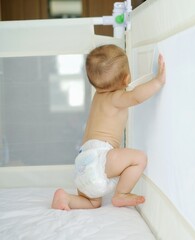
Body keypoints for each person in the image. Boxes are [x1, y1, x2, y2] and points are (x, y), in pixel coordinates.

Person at [51, 44, 166, 210]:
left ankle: (66, 198)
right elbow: (135, 97)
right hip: (99, 157)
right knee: (139, 159)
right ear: (126, 79)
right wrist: (157, 82)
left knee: (93, 203)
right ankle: (121, 194)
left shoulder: (98, 96)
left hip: (83, 162)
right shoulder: (115, 98)